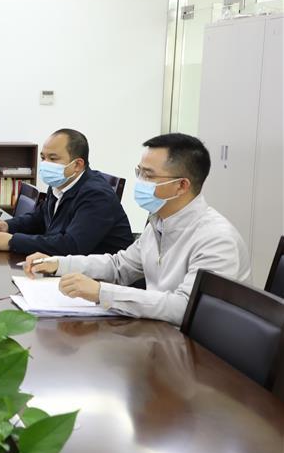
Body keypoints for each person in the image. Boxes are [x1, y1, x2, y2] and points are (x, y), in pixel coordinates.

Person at [24, 133, 250, 326]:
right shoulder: (159, 222)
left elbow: (186, 307)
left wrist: (101, 292)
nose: (140, 181)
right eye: (139, 172)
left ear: (182, 185)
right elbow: (119, 266)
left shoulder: (216, 239)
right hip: (157, 332)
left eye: (149, 175)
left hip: (199, 351)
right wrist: (58, 264)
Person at [0, 128, 134, 255]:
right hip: (67, 266)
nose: (45, 164)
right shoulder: (61, 182)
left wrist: (13, 241)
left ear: (77, 165)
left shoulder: (97, 196)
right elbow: (40, 218)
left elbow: (72, 246)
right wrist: (8, 226)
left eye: (53, 159)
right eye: (43, 157)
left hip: (100, 275)